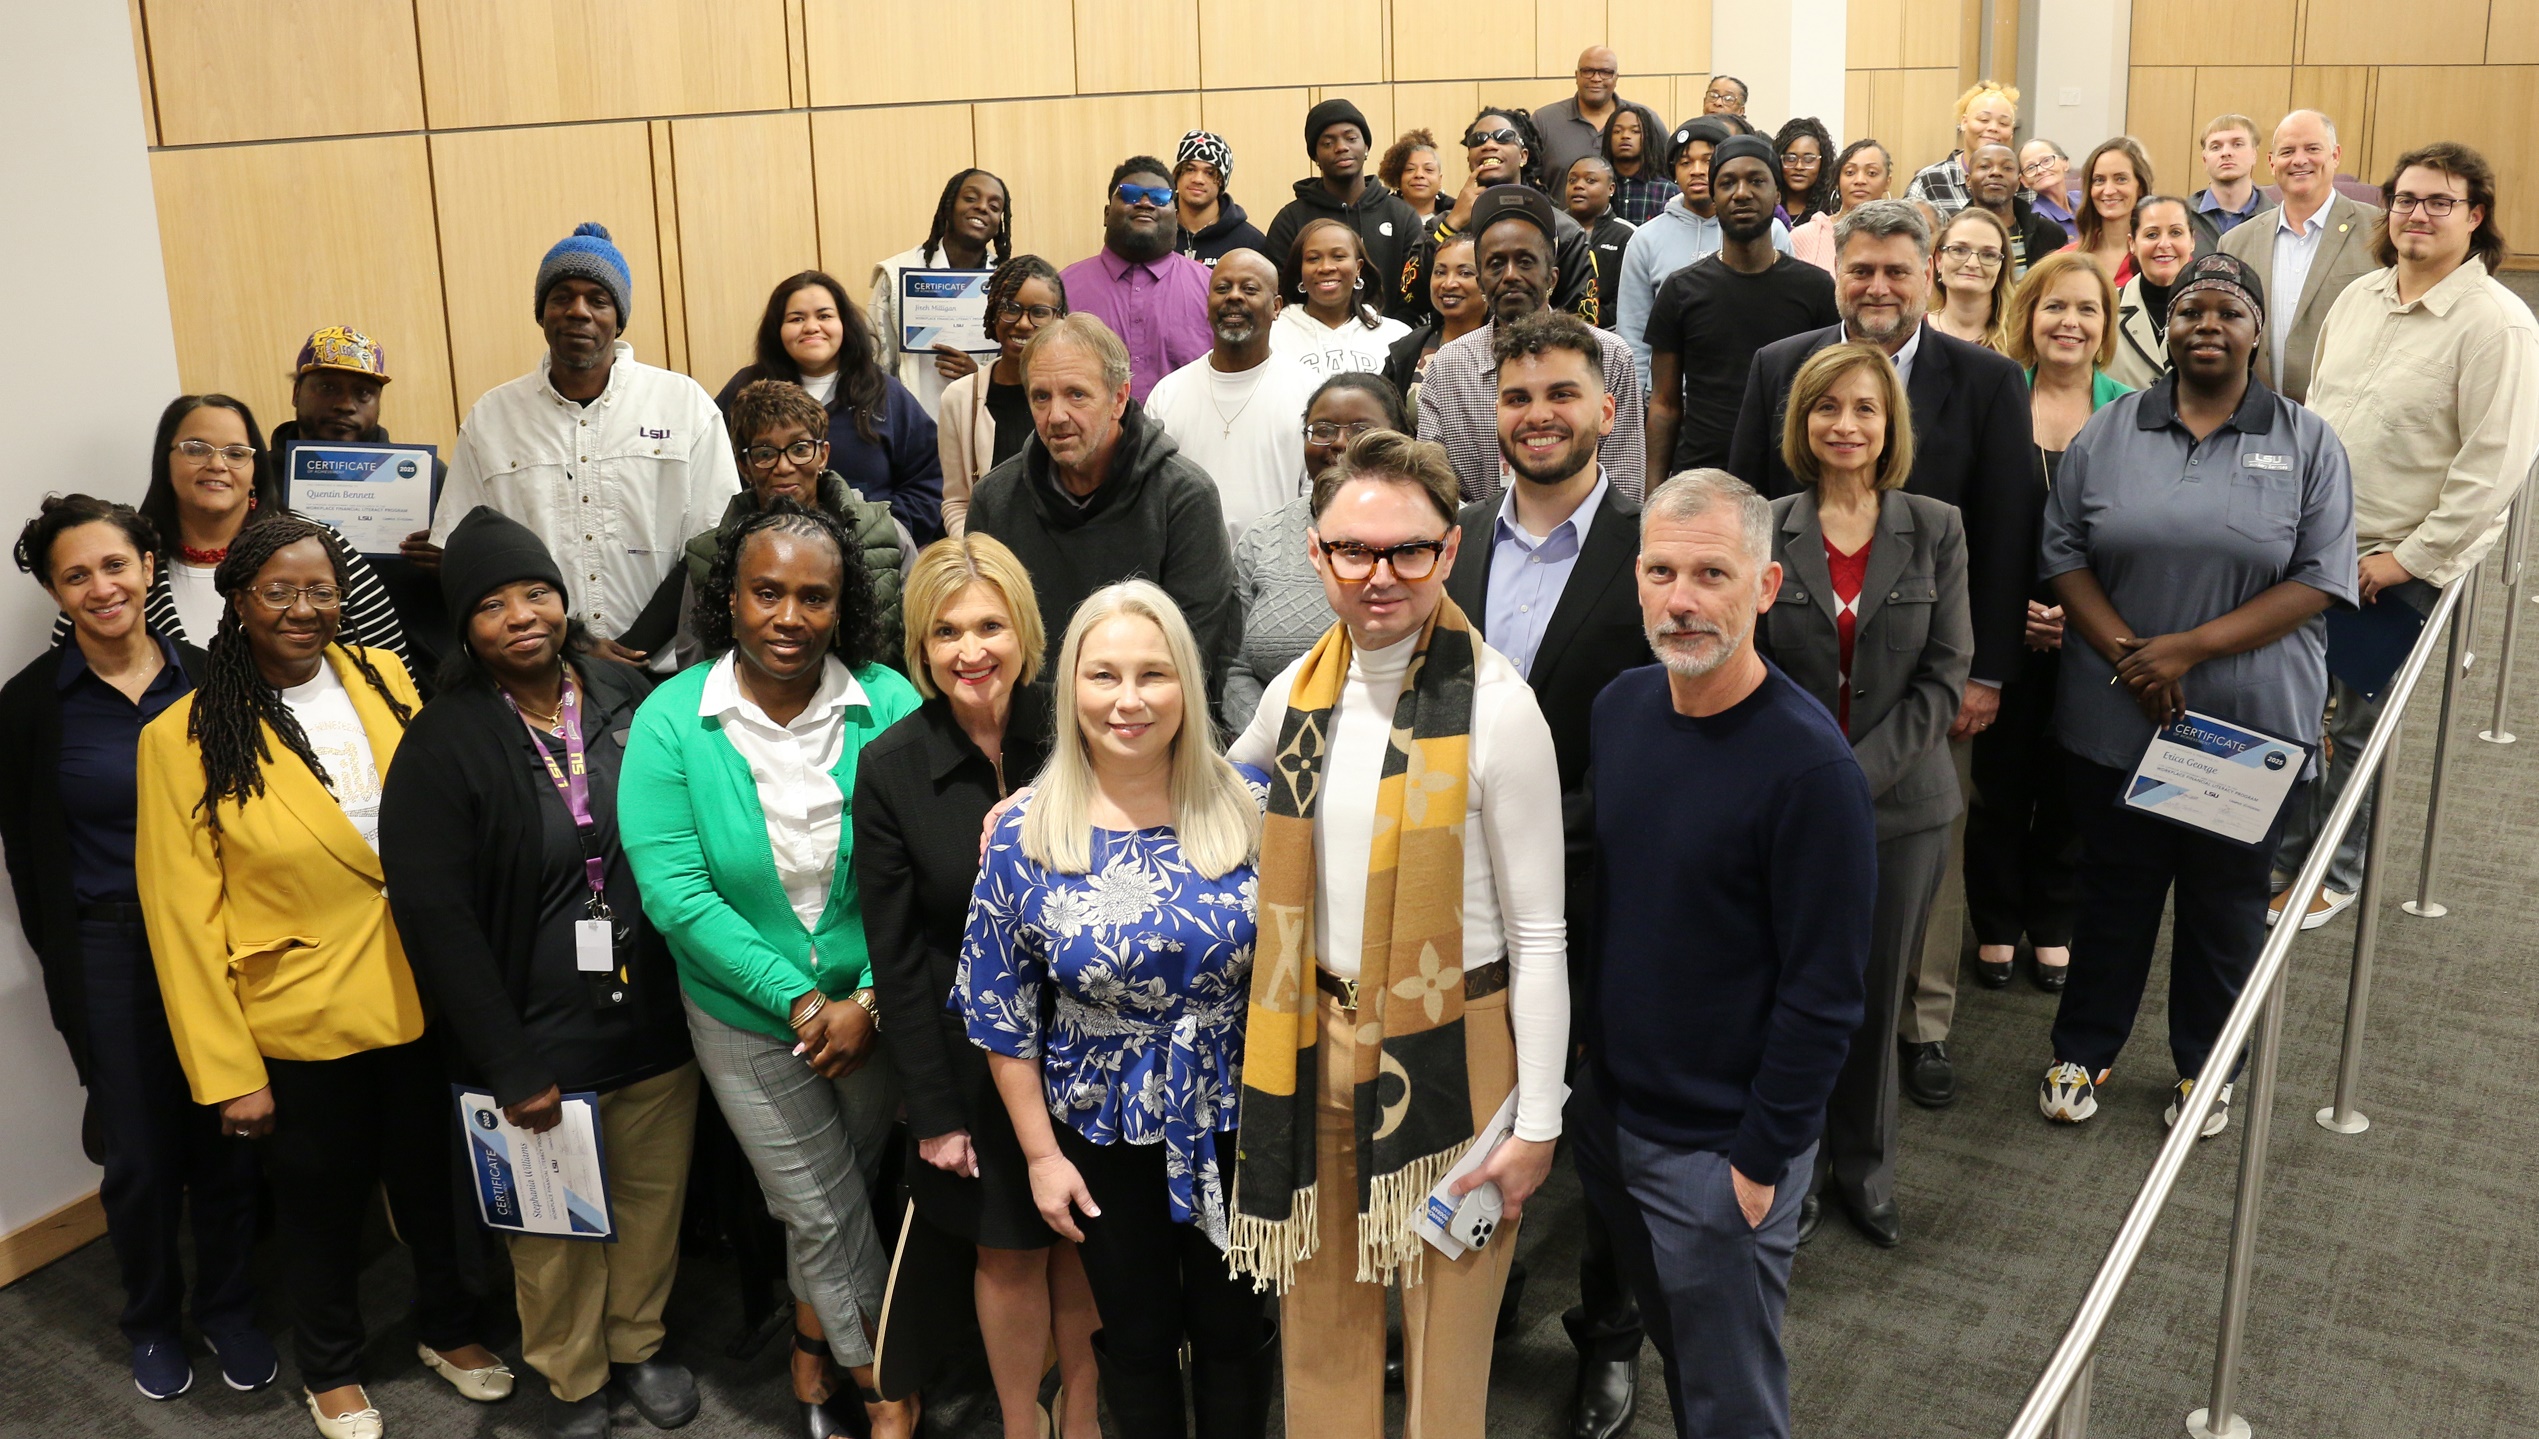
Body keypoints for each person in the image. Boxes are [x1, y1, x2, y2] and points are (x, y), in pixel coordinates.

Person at [1223, 428, 1568, 1439]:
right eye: (1355, 550)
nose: (1382, 576)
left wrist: (1538, 1120)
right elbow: (1212, 798)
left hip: (1454, 1046)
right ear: (1316, 555)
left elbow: (1542, 931)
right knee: (1318, 1319)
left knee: (1444, 1335)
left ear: (1448, 551)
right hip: (1309, 1035)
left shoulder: (1502, 710)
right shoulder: (1301, 687)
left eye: (1408, 549)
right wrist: (1039, 800)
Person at [132, 512, 505, 1439]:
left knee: (432, 1181)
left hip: (423, 985)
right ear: (237, 599)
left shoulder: (379, 675)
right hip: (299, 1011)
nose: (305, 608)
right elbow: (182, 920)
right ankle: (331, 1368)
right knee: (320, 1204)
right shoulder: (180, 737)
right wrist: (230, 1072)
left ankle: (447, 1327)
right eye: (280, 590)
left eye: (323, 588)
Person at [379, 508, 699, 1439]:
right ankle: (572, 1372)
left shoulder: (622, 697)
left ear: (563, 600)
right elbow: (436, 924)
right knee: (554, 1228)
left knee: (650, 1199)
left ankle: (639, 1341)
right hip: (531, 1034)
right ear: (463, 626)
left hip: (651, 1018)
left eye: (536, 591)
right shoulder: (442, 742)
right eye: (490, 603)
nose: (521, 615)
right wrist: (506, 1060)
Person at [1572, 468, 1874, 1439]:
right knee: (1679, 1354)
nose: (1683, 597)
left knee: (1732, 1405)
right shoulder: (1619, 708)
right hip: (1614, 1121)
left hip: (1720, 1155)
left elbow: (1825, 992)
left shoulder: (1810, 767)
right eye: (1661, 570)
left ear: (1766, 586)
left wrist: (1757, 1162)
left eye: (1712, 572)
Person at [619, 501, 925, 1438]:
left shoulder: (892, 703)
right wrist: (797, 997)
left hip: (871, 1008)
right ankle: (889, 1390)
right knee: (823, 1207)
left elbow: (923, 870)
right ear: (730, 598)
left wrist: (866, 995)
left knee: (835, 1187)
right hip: (745, 1017)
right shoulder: (673, 717)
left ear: (843, 607)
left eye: (814, 596)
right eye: (766, 592)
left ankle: (806, 1345)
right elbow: (675, 892)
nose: (788, 616)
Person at [2034, 253, 2356, 1136]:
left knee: (2221, 904)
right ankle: (2083, 1046)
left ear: (2256, 331)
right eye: (2186, 312)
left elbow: (2321, 578)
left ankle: (2204, 1065)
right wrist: (2133, 656)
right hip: (2115, 710)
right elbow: (2062, 552)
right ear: (2164, 329)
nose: (2205, 326)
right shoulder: (2110, 429)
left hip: (2239, 727)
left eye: (2226, 312)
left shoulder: (2304, 439)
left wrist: (2181, 652)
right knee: (2113, 892)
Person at [1730, 200, 2038, 1108]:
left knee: (1921, 861)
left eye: (1897, 271)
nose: (1877, 287)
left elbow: (2005, 529)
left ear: (1929, 272)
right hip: (1789, 677)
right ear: (1838, 273)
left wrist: (1984, 672)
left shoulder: (1984, 381)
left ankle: (1922, 1023)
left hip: (1926, 679)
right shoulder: (1781, 367)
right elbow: (1748, 507)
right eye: (1860, 269)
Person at [963, 582, 1276, 1439]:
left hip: (1239, 1116)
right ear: (1070, 689)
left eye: (1153, 673)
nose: (1129, 700)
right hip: (1101, 1129)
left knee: (1234, 1330)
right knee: (1133, 1339)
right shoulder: (1024, 831)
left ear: (1188, 683)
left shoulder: (1250, 804)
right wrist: (1037, 1157)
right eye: (1103, 675)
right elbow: (1000, 1013)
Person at [1, 496, 269, 1405]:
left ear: (149, 564)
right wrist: (66, 981)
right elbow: (31, 864)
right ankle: (152, 1319)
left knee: (230, 1137)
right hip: (109, 955)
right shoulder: (30, 706)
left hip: (216, 948)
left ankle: (232, 1308)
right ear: (54, 590)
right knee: (141, 1158)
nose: (100, 587)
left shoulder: (211, 678)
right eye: (76, 574)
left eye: (114, 564)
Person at [1438, 315, 1653, 1438]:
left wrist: (1535, 823)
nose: (1537, 414)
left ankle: (1608, 1334)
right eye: (1516, 396)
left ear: (1606, 408)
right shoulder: (1452, 540)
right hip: (1465, 890)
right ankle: (1487, 1289)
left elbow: (1661, 739)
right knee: (1483, 1099)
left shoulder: (1647, 544)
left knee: (1604, 1119)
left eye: (1561, 394)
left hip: (1605, 880)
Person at [852, 535, 1107, 1439]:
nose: (972, 650)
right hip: (973, 1062)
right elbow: (896, 957)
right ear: (920, 645)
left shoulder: (1080, 723)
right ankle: (1019, 1425)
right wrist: (933, 1111)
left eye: (991, 624)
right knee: (1007, 1254)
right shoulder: (888, 768)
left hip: (1093, 1043)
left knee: (1083, 1247)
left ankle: (1082, 1415)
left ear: (1024, 630)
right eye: (948, 630)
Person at [2270, 142, 2539, 929]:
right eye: (2405, 199)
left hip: (2398, 564)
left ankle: (2334, 872)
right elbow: (2316, 419)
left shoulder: (2498, 324)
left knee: (2355, 730)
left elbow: (2493, 466)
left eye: (2439, 202)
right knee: (2289, 711)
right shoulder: (2357, 297)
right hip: (2315, 550)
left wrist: (2403, 561)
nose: (2417, 214)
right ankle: (2285, 856)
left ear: (2475, 216)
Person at [1749, 343, 1970, 1249]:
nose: (1845, 424)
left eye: (1865, 410)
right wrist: (1814, 777)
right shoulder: (1762, 523)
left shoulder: (1935, 524)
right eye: (1826, 407)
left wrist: (1855, 775)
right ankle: (1792, 1168)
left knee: (1878, 999)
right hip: (1785, 808)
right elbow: (1745, 665)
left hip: (1901, 807)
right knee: (1792, 995)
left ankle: (1865, 1166)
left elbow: (1946, 674)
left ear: (1891, 426)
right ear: (1801, 422)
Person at [425, 223, 740, 669]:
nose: (578, 311)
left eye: (598, 299)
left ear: (619, 316)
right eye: (561, 297)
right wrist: (574, 643)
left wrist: (633, 651)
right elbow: (473, 558)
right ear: (542, 313)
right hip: (539, 672)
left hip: (667, 672)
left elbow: (714, 543)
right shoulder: (491, 419)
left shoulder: (684, 405)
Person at [1968, 252, 2130, 996]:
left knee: (2071, 784)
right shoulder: (1995, 396)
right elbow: (1969, 522)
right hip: (1999, 622)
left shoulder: (2129, 409)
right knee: (1999, 782)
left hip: (2093, 628)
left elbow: (2139, 531)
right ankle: (1996, 920)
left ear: (2105, 327)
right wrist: (2012, 614)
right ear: (2027, 316)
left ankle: (2054, 919)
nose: (2069, 321)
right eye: (2054, 306)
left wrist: (2080, 615)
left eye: (2087, 310)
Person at [965, 314, 1241, 711]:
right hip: (1027, 729)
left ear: (1119, 398)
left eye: (1076, 394)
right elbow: (985, 637)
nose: (1056, 415)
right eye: (1041, 397)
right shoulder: (995, 498)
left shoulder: (1184, 497)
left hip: (1143, 724)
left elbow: (1190, 650)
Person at [83, 395, 408, 661]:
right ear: (165, 463)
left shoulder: (316, 544)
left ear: (255, 471)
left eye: (236, 453)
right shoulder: (122, 559)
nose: (217, 464)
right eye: (196, 449)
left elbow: (388, 666)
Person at [1417, 186, 1646, 504]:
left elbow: (1624, 484)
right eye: (1496, 264)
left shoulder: (1609, 355)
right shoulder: (1448, 366)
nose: (1510, 275)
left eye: (1525, 262)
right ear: (1482, 281)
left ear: (1552, 278)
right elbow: (1434, 487)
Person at [675, 379, 907, 669]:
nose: (784, 466)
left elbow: (921, 632)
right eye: (765, 454)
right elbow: (695, 661)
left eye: (799, 449)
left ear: (822, 455)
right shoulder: (710, 552)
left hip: (872, 701)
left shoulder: (882, 531)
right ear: (745, 467)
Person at [1646, 141, 1839, 474]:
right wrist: (1653, 494)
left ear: (1777, 193)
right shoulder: (1680, 290)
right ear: (1714, 195)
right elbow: (1664, 405)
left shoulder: (1817, 289)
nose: (1741, 193)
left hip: (1792, 480)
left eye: (1756, 181)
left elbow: (1833, 395)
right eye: (1727, 183)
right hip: (1702, 476)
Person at [716, 270, 946, 547]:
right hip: (764, 552)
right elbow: (715, 476)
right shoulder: (745, 390)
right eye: (796, 318)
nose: (811, 327)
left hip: (872, 554)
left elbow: (929, 478)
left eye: (824, 316)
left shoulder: (884, 392)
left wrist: (882, 530)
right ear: (777, 329)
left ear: (844, 325)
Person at [270, 327, 448, 674]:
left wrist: (450, 562)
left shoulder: (427, 478)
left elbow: (480, 580)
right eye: (327, 388)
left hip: (413, 673)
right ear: (296, 393)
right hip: (289, 671)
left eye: (364, 393)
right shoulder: (255, 479)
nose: (345, 405)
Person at [1221, 374, 1394, 731]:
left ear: (1399, 436)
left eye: (1361, 429)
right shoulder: (1262, 538)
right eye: (1323, 430)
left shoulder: (1429, 535)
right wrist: (1279, 740)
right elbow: (1232, 668)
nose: (1340, 443)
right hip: (1274, 756)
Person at [1148, 248, 1323, 540]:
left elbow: (1318, 490)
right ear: (1207, 305)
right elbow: (1152, 495)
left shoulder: (1311, 392)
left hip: (1279, 569)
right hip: (1189, 568)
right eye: (1222, 288)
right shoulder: (1168, 393)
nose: (1234, 296)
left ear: (1276, 306)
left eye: (1250, 289)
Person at [2218, 110, 2387, 403]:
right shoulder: (2235, 243)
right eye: (2287, 151)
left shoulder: (2379, 233)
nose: (2299, 160)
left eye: (2312, 149)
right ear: (2272, 163)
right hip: (2259, 419)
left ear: (2335, 156)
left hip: (2346, 416)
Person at [1616, 122, 1795, 385]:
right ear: (1674, 173)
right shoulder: (1645, 240)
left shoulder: (1770, 231)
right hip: (1668, 399)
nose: (1697, 171)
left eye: (1707, 161)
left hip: (1755, 390)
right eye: (1686, 163)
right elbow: (1634, 336)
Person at [1424, 108, 1602, 325]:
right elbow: (1409, 296)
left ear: (1523, 156)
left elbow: (1582, 319)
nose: (1489, 145)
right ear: (1469, 158)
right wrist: (1451, 224)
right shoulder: (1441, 224)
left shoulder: (1565, 231)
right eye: (1478, 140)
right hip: (1459, 353)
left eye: (1503, 137)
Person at [1060, 159, 1214, 403]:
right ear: (1107, 214)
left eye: (1159, 197)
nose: (1144, 203)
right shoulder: (1063, 288)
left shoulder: (1211, 289)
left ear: (1175, 217)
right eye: (1130, 195)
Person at [939, 257, 1068, 537]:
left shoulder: (1074, 399)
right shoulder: (959, 399)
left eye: (1039, 312)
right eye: (1010, 308)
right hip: (989, 561)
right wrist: (978, 559)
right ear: (993, 312)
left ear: (1058, 318)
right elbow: (958, 503)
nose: (1022, 324)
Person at [868, 169, 1013, 417]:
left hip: (988, 423)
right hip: (912, 427)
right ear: (948, 206)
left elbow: (1022, 363)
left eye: (994, 205)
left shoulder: (1010, 282)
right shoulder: (898, 274)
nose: (982, 207)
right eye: (970, 198)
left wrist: (979, 375)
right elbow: (874, 362)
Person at [1265, 100, 1427, 323]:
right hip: (1309, 346)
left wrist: (1390, 340)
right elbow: (1280, 293)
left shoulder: (1402, 216)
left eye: (1351, 138)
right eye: (1328, 142)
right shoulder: (1291, 220)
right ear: (1315, 157)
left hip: (1391, 346)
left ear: (1366, 147)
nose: (1341, 147)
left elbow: (1414, 293)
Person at [1271, 219, 1415, 376]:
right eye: (1313, 258)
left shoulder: (1397, 336)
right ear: (1300, 270)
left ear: (1358, 268)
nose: (1326, 267)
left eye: (1338, 256)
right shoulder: (1272, 334)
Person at [1381, 233, 1483, 411]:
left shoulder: (1508, 346)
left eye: (1465, 273)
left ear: (1486, 280)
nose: (1448, 283)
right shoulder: (1406, 350)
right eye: (1440, 272)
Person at [2106, 196, 2199, 390]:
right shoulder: (2105, 309)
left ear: (2192, 241)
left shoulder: (2212, 314)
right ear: (2132, 243)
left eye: (2175, 232)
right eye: (2151, 235)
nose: (2164, 244)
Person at [1905, 81, 2020, 217]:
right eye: (1984, 120)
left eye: (2003, 123)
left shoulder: (2023, 181)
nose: (1993, 128)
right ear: (1964, 122)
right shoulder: (1929, 180)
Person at [1963, 143, 2070, 276]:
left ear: (2019, 182)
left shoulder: (2048, 233)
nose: (1996, 172)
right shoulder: (1953, 232)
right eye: (1984, 166)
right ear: (1968, 180)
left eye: (2007, 168)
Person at [1171, 130, 1270, 269]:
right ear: (1177, 175)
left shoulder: (1250, 243)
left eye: (1209, 173)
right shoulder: (1157, 232)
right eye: (1190, 169)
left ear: (1221, 182)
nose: (1198, 179)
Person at [1535, 46, 1627, 190]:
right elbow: (1524, 177)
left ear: (1616, 78)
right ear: (1576, 76)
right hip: (1559, 213)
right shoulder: (1544, 121)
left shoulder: (1641, 122)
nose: (1596, 78)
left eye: (1605, 72)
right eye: (1588, 71)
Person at [1792, 140, 1892, 273]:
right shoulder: (1802, 236)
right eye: (1850, 172)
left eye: (1872, 173)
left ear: (1887, 182)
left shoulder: (1898, 237)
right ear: (1838, 181)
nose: (1860, 180)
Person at [1564, 156, 1638, 329]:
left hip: (1609, 335)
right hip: (1554, 335)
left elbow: (1626, 303)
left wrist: (1583, 326)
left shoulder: (1627, 235)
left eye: (1590, 180)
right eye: (1572, 180)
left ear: (1611, 188)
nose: (1578, 185)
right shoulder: (1552, 230)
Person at [1927, 207, 2016, 349]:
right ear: (1938, 259)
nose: (1972, 264)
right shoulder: (1913, 333)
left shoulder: (2021, 336)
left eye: (1988, 254)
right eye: (1959, 250)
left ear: (2001, 267)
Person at [2069, 138, 2152, 284]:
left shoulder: (2165, 258)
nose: (2108, 190)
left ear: (2140, 187)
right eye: (2099, 180)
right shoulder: (2067, 259)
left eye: (2120, 179)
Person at [2193, 115, 2273, 243]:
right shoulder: (2181, 218)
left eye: (2237, 144)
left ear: (2254, 154)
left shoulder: (2276, 220)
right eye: (2216, 147)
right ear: (2205, 160)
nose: (2226, 152)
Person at [1603, 102, 1674, 226]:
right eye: (1617, 131)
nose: (1625, 136)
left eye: (1635, 131)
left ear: (1648, 137)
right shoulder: (1599, 188)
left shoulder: (1668, 192)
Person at [1773, 118, 1837, 228]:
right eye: (1791, 159)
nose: (1799, 166)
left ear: (1823, 163)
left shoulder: (1832, 209)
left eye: (1808, 159)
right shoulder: (1768, 205)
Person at [1380, 129, 1449, 219]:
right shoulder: (1380, 218)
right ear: (1398, 178)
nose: (1419, 174)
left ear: (1440, 180)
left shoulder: (1460, 220)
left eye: (1428, 169)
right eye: (1410, 169)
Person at [2022, 139, 2080, 241]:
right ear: (2023, 181)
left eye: (2046, 160)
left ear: (2065, 163)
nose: (2040, 170)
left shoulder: (2083, 198)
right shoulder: (2038, 220)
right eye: (2030, 167)